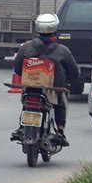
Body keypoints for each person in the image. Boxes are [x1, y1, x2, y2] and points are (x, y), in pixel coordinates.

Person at [10, 13, 81, 147]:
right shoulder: (62, 50)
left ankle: (21, 127)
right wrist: (72, 80)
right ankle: (60, 131)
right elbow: (73, 72)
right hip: (53, 89)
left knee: (26, 101)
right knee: (61, 104)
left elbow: (18, 69)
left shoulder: (26, 47)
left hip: (30, 88)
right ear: (55, 29)